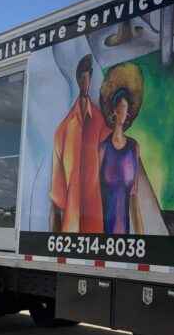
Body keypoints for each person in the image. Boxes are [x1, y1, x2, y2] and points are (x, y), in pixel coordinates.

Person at [50, 54, 111, 233]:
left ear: (91, 77)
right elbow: (57, 190)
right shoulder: (64, 128)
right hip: (72, 221)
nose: (85, 81)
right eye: (82, 77)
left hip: (96, 217)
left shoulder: (100, 121)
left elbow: (109, 159)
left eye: (88, 76)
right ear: (77, 79)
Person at [98, 63, 144, 235]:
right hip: (102, 233)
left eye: (127, 109)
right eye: (122, 108)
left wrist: (141, 237)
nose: (126, 113)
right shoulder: (103, 148)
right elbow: (94, 196)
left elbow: (134, 198)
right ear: (115, 111)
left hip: (123, 235)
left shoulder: (134, 148)